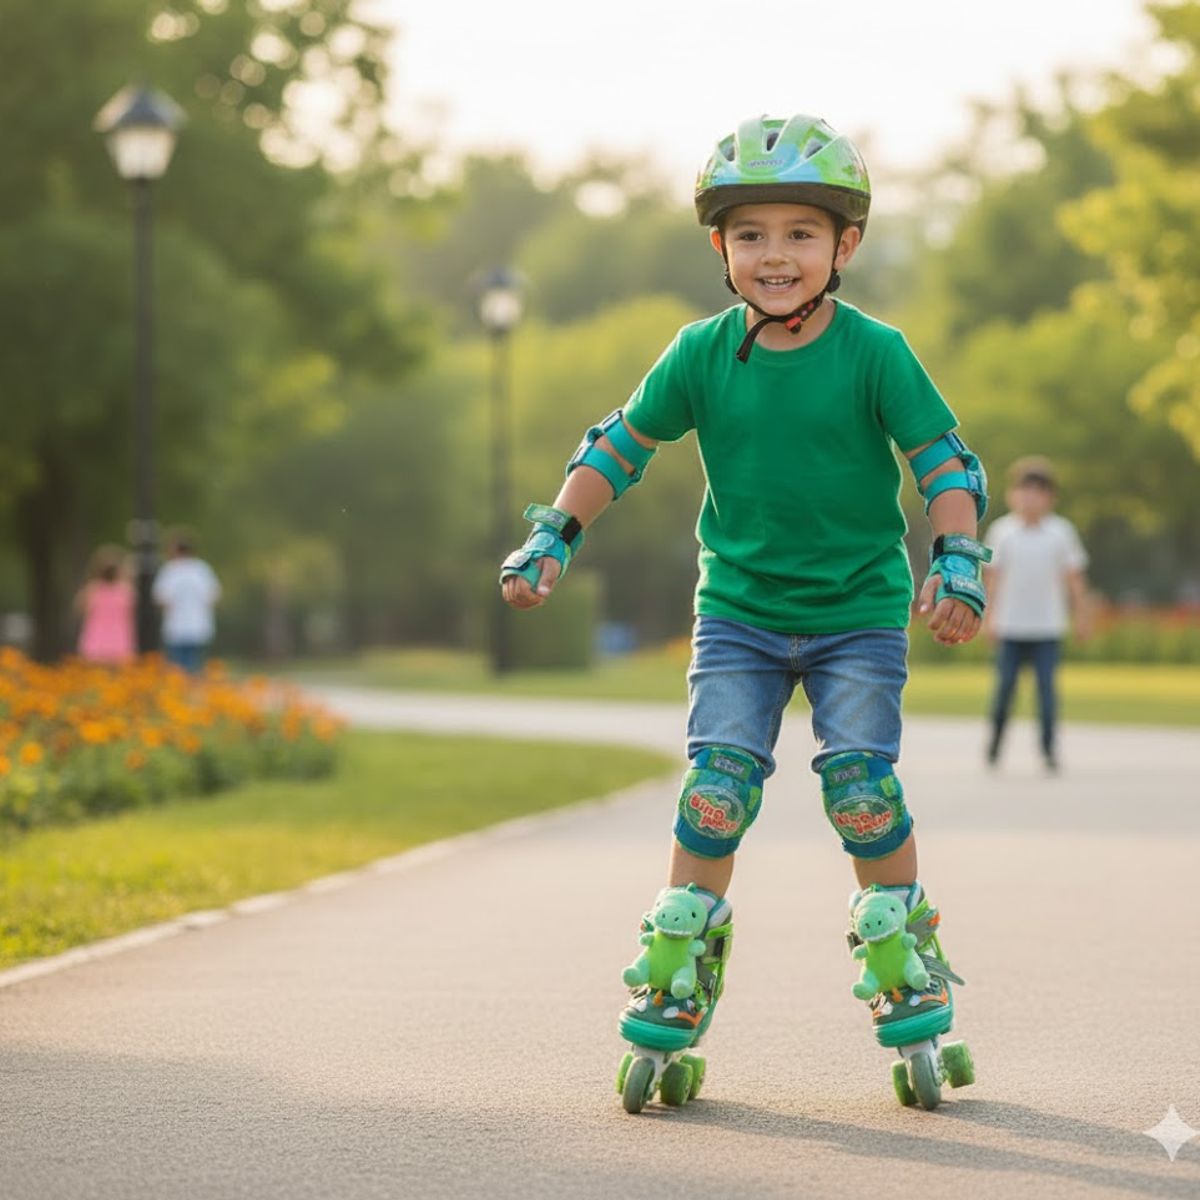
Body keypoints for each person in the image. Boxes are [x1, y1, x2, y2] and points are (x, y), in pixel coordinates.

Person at [499, 114, 990, 1111]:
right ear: (720, 248)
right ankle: (676, 967)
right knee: (716, 785)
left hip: (857, 610)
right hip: (739, 614)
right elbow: (620, 445)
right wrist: (556, 530)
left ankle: (903, 951)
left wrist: (961, 559)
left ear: (844, 247)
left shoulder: (876, 352)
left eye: (801, 233)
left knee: (859, 784)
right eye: (752, 233)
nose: (776, 254)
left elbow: (943, 462)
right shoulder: (701, 353)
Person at [983, 456, 1090, 772]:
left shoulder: (1061, 532)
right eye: (1024, 491)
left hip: (1047, 626)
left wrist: (1082, 616)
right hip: (1010, 626)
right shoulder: (1002, 532)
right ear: (1012, 494)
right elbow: (992, 580)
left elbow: (1074, 580)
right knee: (1004, 690)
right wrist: (988, 618)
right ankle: (995, 744)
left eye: (1038, 492)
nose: (1030, 498)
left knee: (1046, 692)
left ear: (1049, 497)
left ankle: (1048, 750)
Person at [152, 529, 221, 674]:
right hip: (198, 625)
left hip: (175, 626)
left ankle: (180, 694)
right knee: (195, 667)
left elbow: (161, 599)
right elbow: (213, 596)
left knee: (177, 669)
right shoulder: (202, 569)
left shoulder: (170, 570)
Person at [76, 545, 135, 665]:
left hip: (95, 638)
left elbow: (80, 608)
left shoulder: (92, 590)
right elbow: (132, 612)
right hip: (119, 638)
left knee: (96, 676)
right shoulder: (125, 591)